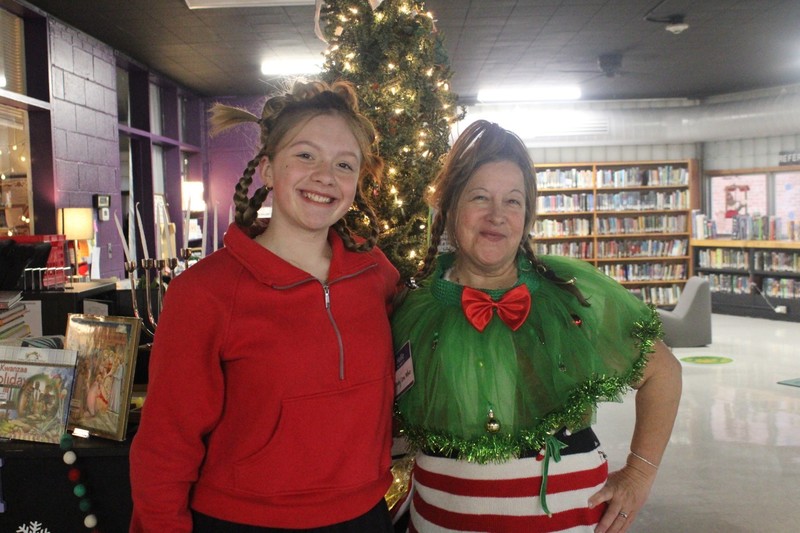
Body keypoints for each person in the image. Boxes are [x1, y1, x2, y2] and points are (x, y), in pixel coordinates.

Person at [129, 80, 400, 532]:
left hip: (364, 516)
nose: (325, 176)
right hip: (243, 521)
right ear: (269, 169)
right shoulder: (204, 293)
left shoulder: (375, 273)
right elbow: (165, 445)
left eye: (344, 164)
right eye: (306, 155)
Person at [392, 120, 682, 532]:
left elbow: (664, 373)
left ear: (527, 215)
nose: (497, 216)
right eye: (480, 197)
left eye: (513, 201)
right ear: (450, 206)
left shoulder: (569, 299)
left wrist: (639, 474)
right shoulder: (411, 307)